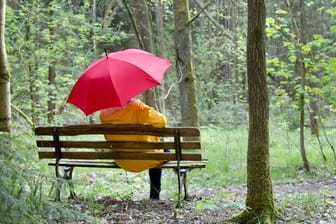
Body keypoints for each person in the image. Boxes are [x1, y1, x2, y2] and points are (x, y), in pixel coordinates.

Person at [99, 99, 167, 199]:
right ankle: (154, 195)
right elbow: (162, 122)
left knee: (161, 152)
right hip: (145, 159)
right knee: (160, 153)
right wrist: (143, 106)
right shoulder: (138, 108)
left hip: (121, 160)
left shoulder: (103, 114)